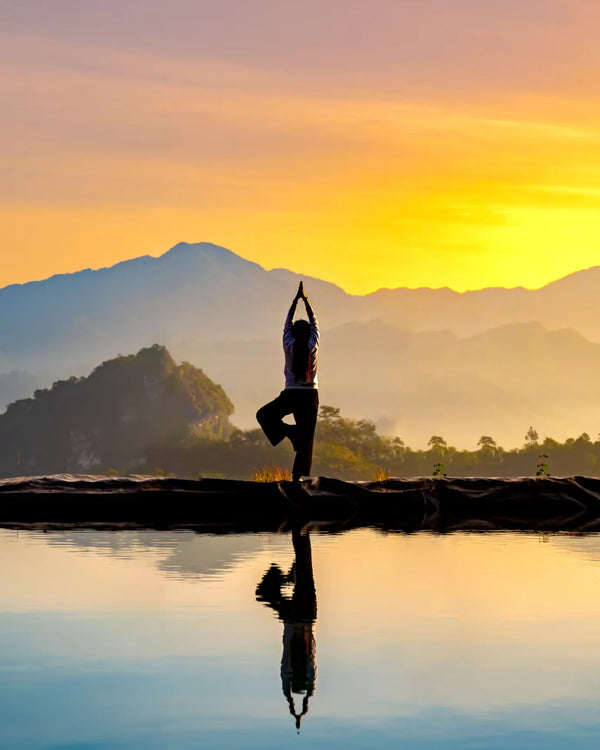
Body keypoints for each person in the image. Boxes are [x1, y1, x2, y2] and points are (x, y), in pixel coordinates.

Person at [256, 282, 319, 482]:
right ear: (309, 334)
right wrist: (306, 300)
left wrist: (295, 301)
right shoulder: (313, 345)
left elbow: (287, 324)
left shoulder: (288, 345)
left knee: (264, 415)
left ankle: (290, 433)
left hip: (291, 394)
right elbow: (315, 322)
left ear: (293, 334)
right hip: (310, 396)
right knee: (306, 438)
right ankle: (297, 479)